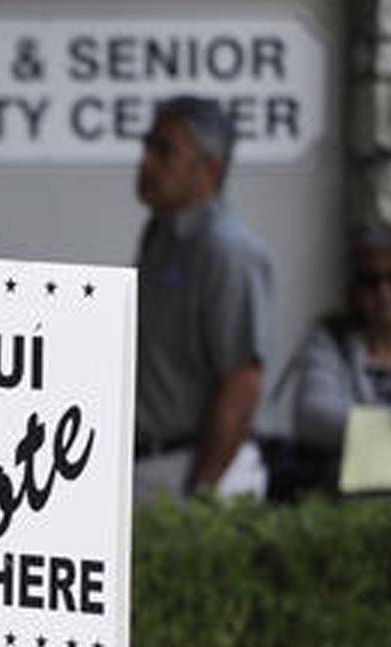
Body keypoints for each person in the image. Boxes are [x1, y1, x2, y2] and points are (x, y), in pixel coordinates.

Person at [132, 96, 274, 504]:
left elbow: (242, 382)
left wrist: (202, 492)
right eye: (147, 146)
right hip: (153, 466)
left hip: (200, 468)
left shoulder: (227, 251)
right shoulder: (161, 237)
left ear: (207, 168)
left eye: (164, 150)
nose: (146, 162)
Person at [290, 223, 391, 490]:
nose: (383, 291)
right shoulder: (330, 338)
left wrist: (366, 432)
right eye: (371, 281)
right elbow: (314, 418)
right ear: (354, 290)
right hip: (347, 500)